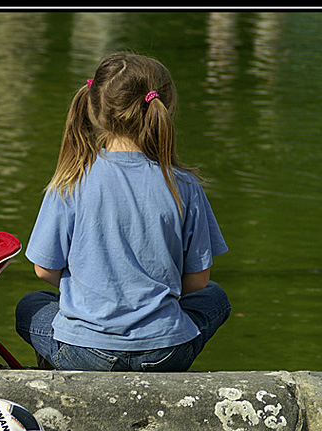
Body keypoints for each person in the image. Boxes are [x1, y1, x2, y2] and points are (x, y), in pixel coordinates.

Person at [16, 52, 230, 372]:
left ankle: (59, 366)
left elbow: (44, 270)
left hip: (85, 353)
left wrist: (93, 291)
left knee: (31, 306)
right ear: (166, 108)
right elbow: (199, 281)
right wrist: (149, 296)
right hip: (165, 353)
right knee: (216, 298)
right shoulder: (184, 185)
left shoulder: (71, 180)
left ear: (94, 107)